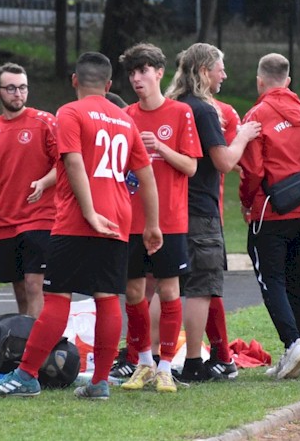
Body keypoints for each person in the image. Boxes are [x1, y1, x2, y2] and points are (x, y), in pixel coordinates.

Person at [0, 52, 162, 400]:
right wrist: (152, 225)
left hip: (78, 219)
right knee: (107, 297)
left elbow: (74, 161)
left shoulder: (70, 112)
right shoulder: (124, 120)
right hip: (119, 218)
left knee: (57, 297)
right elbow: (146, 174)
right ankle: (100, 382)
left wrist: (89, 211)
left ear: (75, 80)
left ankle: (26, 376)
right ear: (109, 85)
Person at [165, 43, 260, 382]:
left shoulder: (172, 105)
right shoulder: (204, 110)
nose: (225, 74)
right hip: (200, 209)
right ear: (204, 71)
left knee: (165, 284)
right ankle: (193, 361)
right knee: (201, 288)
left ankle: (149, 359)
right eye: (221, 68)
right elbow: (224, 161)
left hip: (169, 208)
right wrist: (244, 136)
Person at [239, 53, 300, 380]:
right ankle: (295, 351)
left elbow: (251, 169)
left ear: (260, 80)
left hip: (269, 209)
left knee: (272, 281)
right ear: (289, 80)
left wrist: (246, 200)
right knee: (297, 284)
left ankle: (293, 344)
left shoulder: (256, 116)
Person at [116, 43, 202, 393]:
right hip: (130, 219)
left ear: (159, 73)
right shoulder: (125, 118)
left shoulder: (180, 112)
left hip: (169, 220)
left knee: (168, 291)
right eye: (133, 73)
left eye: (143, 71)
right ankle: (143, 363)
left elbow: (192, 167)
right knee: (134, 291)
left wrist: (160, 148)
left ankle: (166, 365)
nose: (137, 78)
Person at [0, 62, 57, 318]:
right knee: (20, 289)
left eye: (23, 88)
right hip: (7, 222)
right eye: (11, 88)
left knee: (35, 285)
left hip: (41, 218)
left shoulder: (44, 122)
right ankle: (25, 345)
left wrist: (43, 182)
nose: (18, 94)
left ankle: (39, 351)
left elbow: (64, 163)